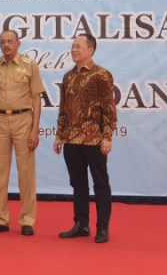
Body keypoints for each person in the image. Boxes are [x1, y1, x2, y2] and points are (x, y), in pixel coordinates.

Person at [53, 33, 117, 244]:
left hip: (94, 139)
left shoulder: (102, 75)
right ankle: (81, 224)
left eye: (78, 46)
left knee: (101, 183)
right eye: (72, 46)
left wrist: (107, 136)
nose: (73, 50)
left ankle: (102, 228)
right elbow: (63, 109)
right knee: (78, 184)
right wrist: (59, 135)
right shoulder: (68, 77)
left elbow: (109, 108)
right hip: (71, 139)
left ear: (90, 50)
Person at [0, 30, 44, 236]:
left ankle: (27, 219)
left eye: (10, 41)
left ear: (18, 43)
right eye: (2, 42)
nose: (6, 45)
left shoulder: (29, 65)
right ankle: (0, 219)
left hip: (23, 120)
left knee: (26, 173)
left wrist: (35, 129)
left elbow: (36, 98)